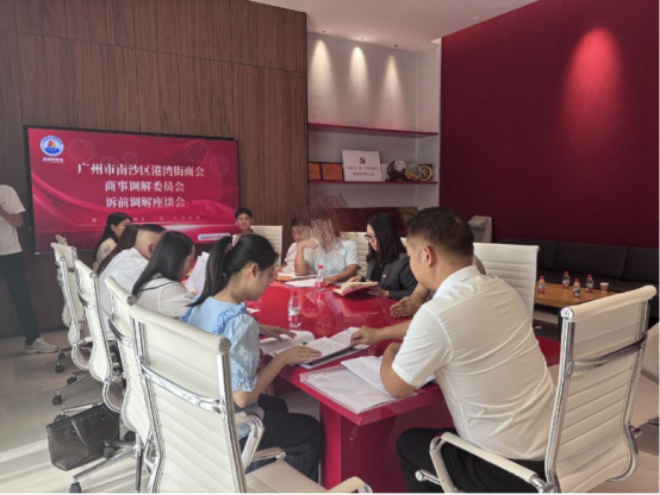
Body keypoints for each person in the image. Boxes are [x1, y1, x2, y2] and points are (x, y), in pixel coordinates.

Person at [378, 208, 555, 495]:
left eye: (410, 256)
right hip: (553, 453)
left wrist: (390, 352)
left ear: (426, 255)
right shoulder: (504, 290)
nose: (410, 264)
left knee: (409, 444)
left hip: (506, 469)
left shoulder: (437, 313)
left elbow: (395, 386)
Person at [182, 235, 324, 480]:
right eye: (270, 274)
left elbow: (220, 329)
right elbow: (243, 396)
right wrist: (282, 359)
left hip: (201, 412)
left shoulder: (201, 302)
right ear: (253, 270)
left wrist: (258, 327)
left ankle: (259, 467)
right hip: (231, 426)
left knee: (278, 406)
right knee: (310, 429)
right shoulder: (240, 322)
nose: (270, 282)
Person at [352, 257, 487, 347]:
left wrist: (380, 335)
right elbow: (419, 292)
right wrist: (414, 302)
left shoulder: (466, 266)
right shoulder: (436, 258)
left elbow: (440, 318)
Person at [0, 184, 58, 354]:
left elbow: (19, 222)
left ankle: (33, 341)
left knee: (22, 298)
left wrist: (2, 212)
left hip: (10, 253)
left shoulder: (7, 191)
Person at [99, 224, 166, 318]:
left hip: (105, 319)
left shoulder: (123, 255)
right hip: (118, 323)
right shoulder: (144, 270)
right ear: (151, 249)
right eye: (165, 248)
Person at [346, 213, 417, 301]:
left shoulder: (404, 261)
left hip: (393, 307)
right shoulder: (374, 256)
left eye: (375, 236)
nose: (371, 241)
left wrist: (386, 293)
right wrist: (362, 280)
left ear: (387, 236)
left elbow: (414, 293)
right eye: (369, 236)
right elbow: (375, 283)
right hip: (373, 304)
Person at [132, 232, 196, 319]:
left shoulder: (148, 278)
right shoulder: (170, 289)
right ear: (177, 259)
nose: (192, 265)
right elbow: (194, 321)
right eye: (191, 259)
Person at [294, 208, 360, 285]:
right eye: (317, 227)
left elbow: (352, 270)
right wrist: (300, 246)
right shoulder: (314, 247)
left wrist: (334, 278)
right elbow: (300, 272)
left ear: (333, 227)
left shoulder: (349, 245)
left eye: (325, 227)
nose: (321, 231)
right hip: (321, 288)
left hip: (342, 287)